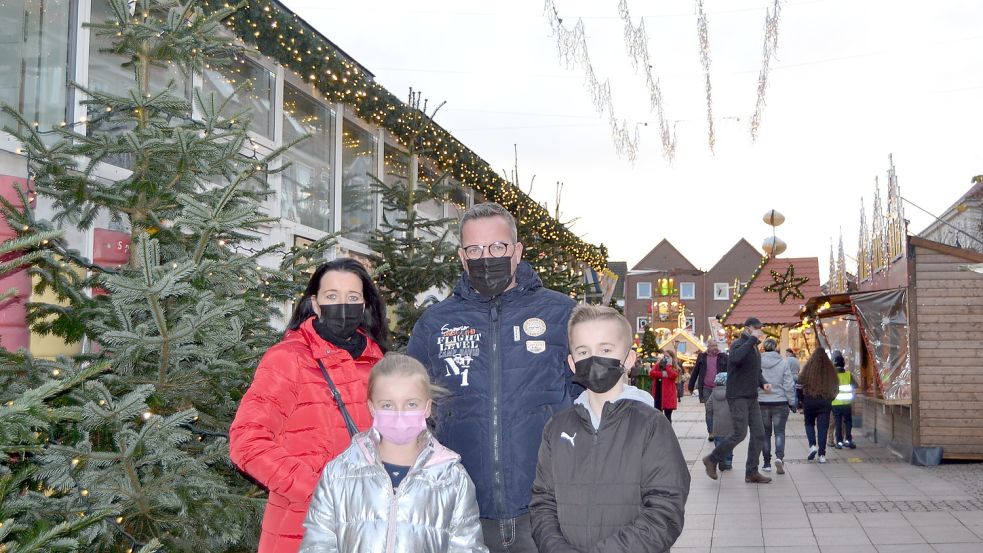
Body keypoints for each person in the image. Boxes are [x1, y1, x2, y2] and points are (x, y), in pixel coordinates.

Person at [406, 202, 576, 553]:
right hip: (463, 511)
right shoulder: (435, 323)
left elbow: (589, 398)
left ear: (517, 252)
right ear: (462, 257)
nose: (486, 258)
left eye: (497, 247)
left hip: (546, 508)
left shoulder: (562, 313)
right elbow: (411, 410)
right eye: (475, 249)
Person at [230, 258, 389, 552]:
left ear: (365, 305)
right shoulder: (287, 359)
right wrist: (317, 490)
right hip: (301, 529)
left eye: (352, 298)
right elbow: (247, 442)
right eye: (332, 296)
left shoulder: (378, 364)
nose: (343, 305)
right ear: (315, 303)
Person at [529, 305, 690, 553]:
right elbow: (543, 503)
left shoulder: (651, 426)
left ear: (628, 359)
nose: (594, 358)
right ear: (572, 363)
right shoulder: (557, 428)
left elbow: (664, 510)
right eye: (583, 351)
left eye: (605, 349)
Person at [299, 353, 488, 553]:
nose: (399, 414)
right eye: (387, 405)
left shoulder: (452, 478)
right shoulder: (338, 474)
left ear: (427, 407)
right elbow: (317, 545)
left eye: (411, 404)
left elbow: (468, 548)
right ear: (372, 407)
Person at [701, 317, 773, 484]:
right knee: (740, 433)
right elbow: (736, 359)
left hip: (751, 396)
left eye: (760, 329)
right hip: (738, 395)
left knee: (759, 433)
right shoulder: (738, 344)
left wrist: (763, 383)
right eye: (757, 328)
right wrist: (752, 340)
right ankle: (712, 459)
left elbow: (756, 371)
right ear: (748, 328)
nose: (760, 331)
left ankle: (751, 472)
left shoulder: (754, 346)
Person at [758, 338, 796, 475]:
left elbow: (755, 382)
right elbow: (788, 384)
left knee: (765, 434)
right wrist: (791, 402)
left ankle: (767, 463)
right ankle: (779, 458)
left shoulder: (758, 362)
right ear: (775, 348)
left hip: (762, 402)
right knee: (779, 432)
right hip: (780, 402)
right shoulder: (783, 363)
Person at [796, 348, 839, 464]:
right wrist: (830, 399)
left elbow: (799, 385)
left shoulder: (808, 369)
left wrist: (801, 400)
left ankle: (812, 445)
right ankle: (822, 454)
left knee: (809, 423)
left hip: (809, 401)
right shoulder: (830, 371)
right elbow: (836, 388)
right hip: (825, 402)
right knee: (823, 428)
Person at [689, 341, 729, 440]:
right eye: (712, 346)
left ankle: (719, 430)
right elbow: (695, 372)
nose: (715, 347)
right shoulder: (702, 357)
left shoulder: (723, 356)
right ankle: (711, 432)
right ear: (708, 347)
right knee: (709, 410)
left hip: (720, 388)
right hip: (706, 388)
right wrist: (691, 386)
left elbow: (730, 371)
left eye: (716, 345)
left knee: (719, 411)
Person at [831, 351, 857, 449]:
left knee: (838, 423)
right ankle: (848, 440)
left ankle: (839, 442)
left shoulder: (832, 375)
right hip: (847, 403)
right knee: (848, 422)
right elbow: (856, 386)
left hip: (835, 403)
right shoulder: (848, 374)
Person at [710, 371, 735, 471]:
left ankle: (720, 458)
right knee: (729, 444)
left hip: (717, 424)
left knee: (718, 442)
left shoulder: (713, 393)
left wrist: (711, 414)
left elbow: (708, 406)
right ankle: (728, 463)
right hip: (729, 425)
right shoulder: (731, 393)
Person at [649, 348, 679, 422]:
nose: (665, 358)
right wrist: (662, 374)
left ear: (672, 358)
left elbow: (672, 375)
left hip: (668, 397)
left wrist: (668, 366)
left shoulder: (674, 367)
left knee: (667, 418)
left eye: (667, 357)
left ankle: (668, 433)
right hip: (658, 395)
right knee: (658, 418)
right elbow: (651, 373)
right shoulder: (659, 365)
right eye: (664, 356)